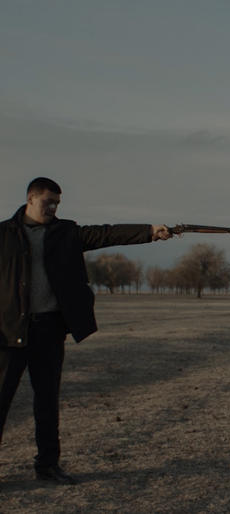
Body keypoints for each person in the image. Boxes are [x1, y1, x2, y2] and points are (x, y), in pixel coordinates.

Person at [0, 177, 172, 485]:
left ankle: (48, 465)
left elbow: (106, 234)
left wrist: (149, 231)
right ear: (30, 199)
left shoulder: (66, 232)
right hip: (9, 332)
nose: (52, 208)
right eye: (47, 202)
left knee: (47, 401)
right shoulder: (3, 235)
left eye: (57, 203)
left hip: (49, 330)